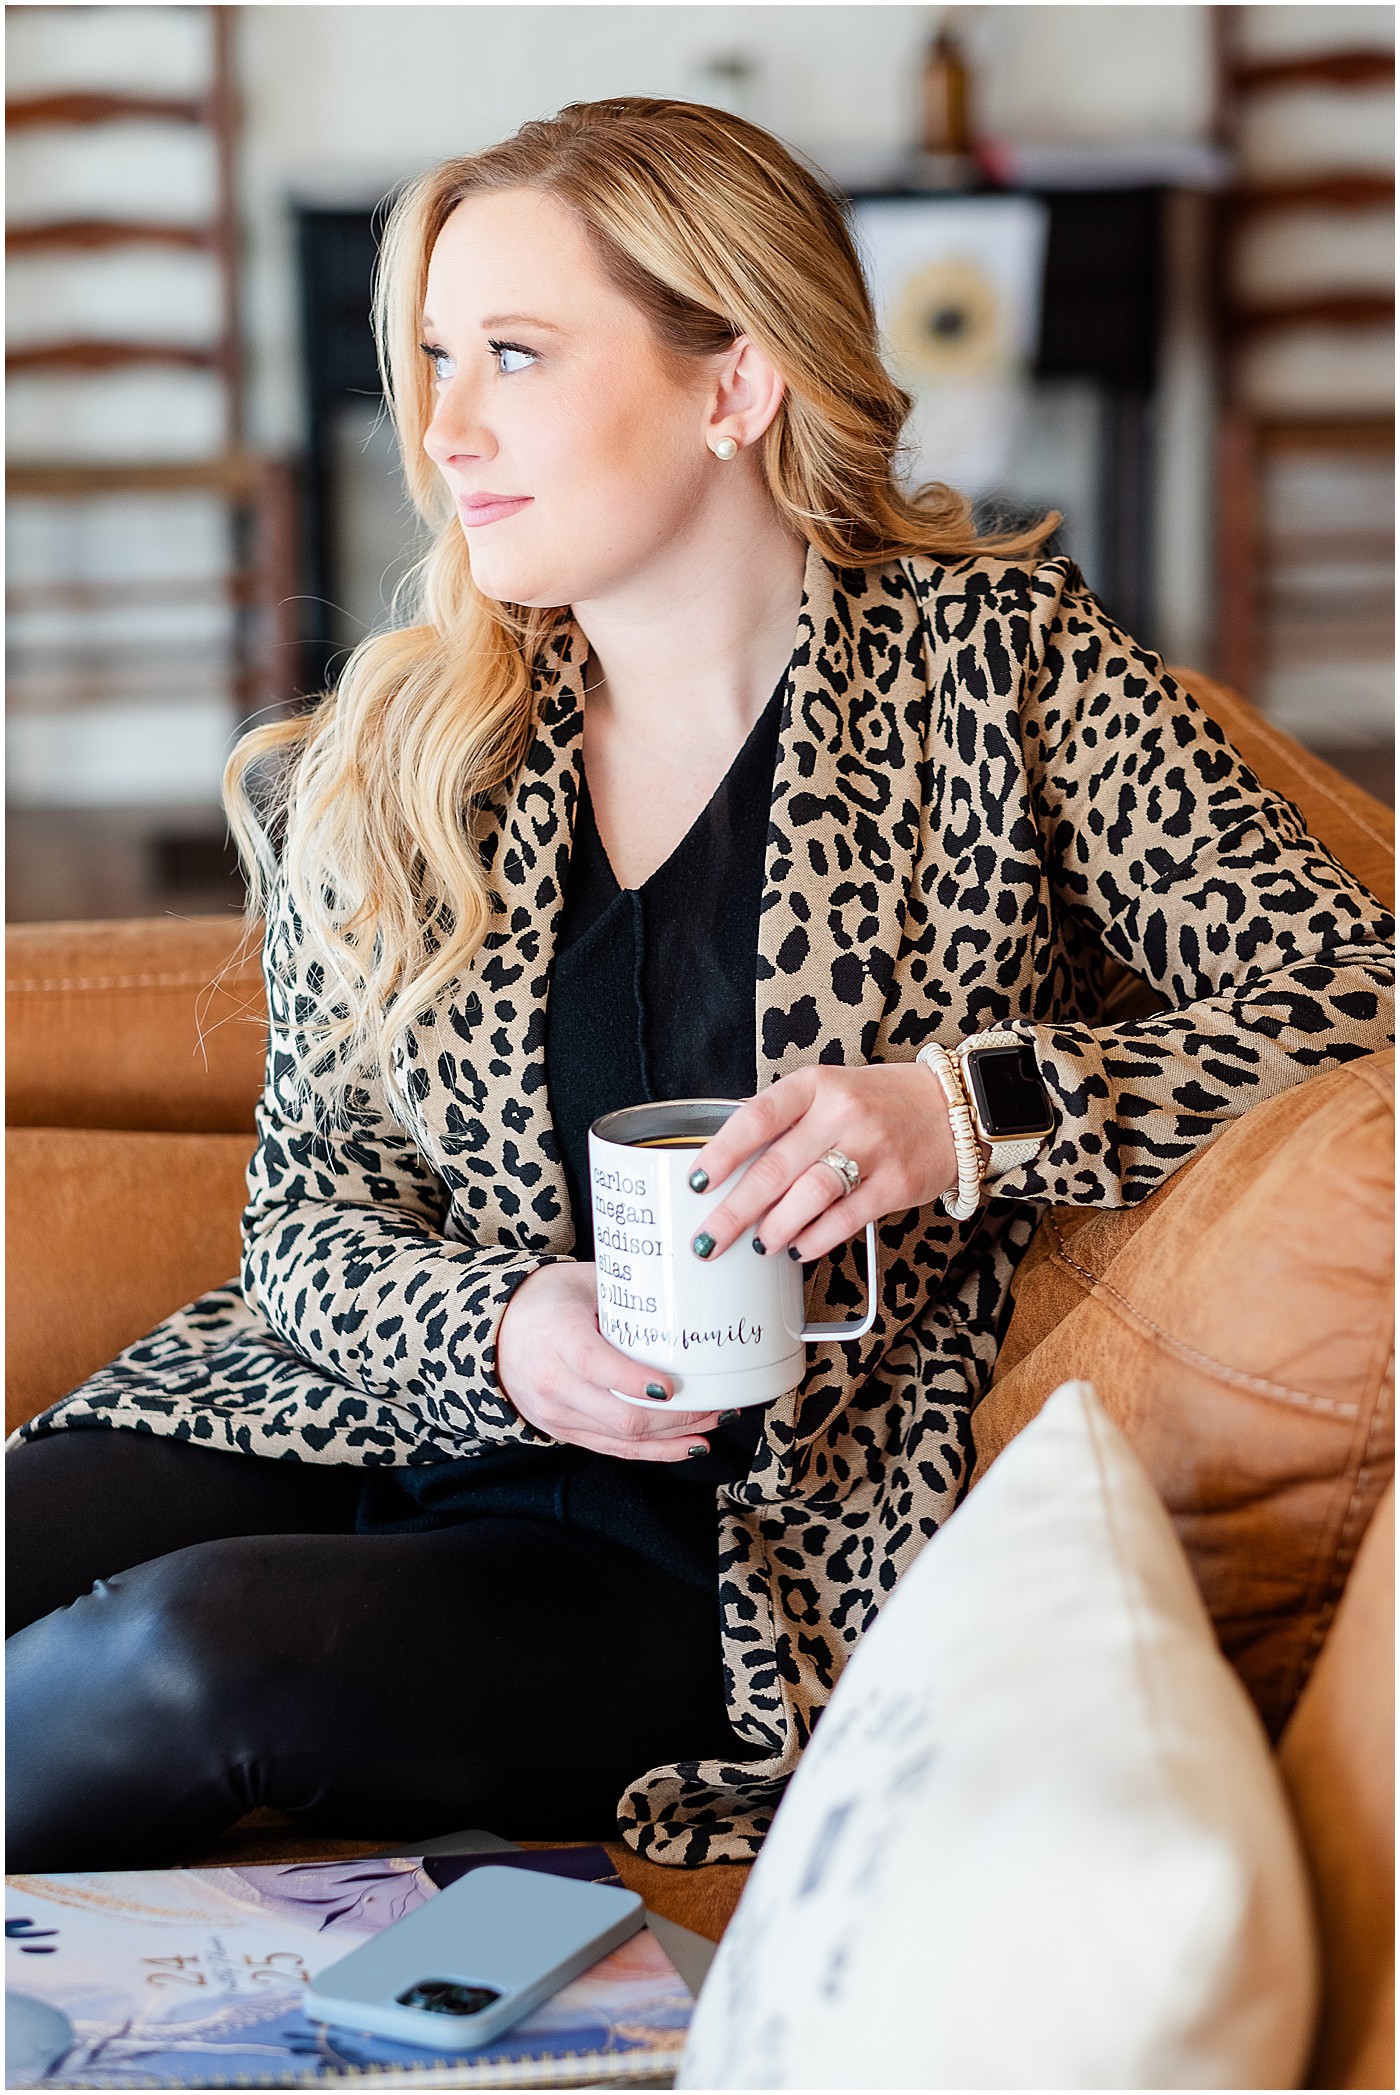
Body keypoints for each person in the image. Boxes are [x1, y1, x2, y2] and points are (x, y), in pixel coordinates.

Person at [7, 98, 1392, 1873]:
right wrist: (498, 1334)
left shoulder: (1006, 674)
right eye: (433, 357)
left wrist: (955, 1115)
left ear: (734, 384)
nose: (441, 429)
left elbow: (1355, 993)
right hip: (365, 1403)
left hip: (715, 1553)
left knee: (195, 1660)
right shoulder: (410, 744)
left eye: (514, 354)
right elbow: (307, 1220)